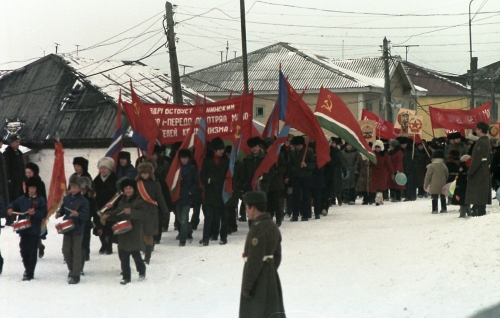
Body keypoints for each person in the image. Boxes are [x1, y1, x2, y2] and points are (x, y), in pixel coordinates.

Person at [239, 190, 285, 318]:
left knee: (256, 312)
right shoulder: (272, 226)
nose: (246, 212)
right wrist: (270, 270)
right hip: (271, 277)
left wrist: (247, 286)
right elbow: (277, 257)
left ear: (253, 208)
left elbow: (254, 260)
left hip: (258, 282)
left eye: (247, 207)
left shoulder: (258, 229)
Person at [101, 179, 147, 285]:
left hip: (134, 230)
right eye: (126, 188)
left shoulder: (139, 200)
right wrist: (108, 215)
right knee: (123, 253)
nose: (128, 190)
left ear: (133, 189)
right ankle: (126, 276)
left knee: (135, 253)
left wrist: (132, 212)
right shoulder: (122, 200)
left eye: (130, 188)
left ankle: (141, 271)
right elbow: (118, 212)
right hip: (123, 229)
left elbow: (144, 214)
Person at [7, 177, 47, 281]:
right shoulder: (23, 198)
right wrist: (10, 208)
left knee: (32, 251)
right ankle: (27, 268)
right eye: (30, 187)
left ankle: (29, 272)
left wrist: (35, 213)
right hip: (23, 229)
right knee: (23, 250)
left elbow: (44, 213)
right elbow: (13, 204)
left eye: (33, 187)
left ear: (37, 188)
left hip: (34, 229)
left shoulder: (41, 200)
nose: (31, 190)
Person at [56, 176, 90, 284]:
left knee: (76, 251)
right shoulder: (67, 198)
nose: (73, 189)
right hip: (67, 228)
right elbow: (63, 209)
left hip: (78, 228)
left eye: (76, 187)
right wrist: (59, 213)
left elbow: (86, 215)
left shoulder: (84, 200)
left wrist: (78, 214)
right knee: (66, 250)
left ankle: (76, 274)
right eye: (72, 186)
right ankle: (72, 270)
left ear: (80, 188)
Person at [135, 162, 168, 263]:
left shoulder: (155, 183)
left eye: (146, 173)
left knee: (149, 234)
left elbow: (160, 198)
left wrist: (165, 211)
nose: (144, 175)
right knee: (140, 233)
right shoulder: (136, 183)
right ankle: (143, 249)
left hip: (151, 211)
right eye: (142, 173)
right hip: (139, 211)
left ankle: (147, 255)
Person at [200, 137, 230, 246]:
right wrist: (209, 180)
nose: (222, 151)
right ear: (214, 149)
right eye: (219, 149)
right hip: (211, 192)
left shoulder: (226, 161)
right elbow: (202, 174)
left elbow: (230, 175)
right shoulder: (207, 161)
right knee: (208, 216)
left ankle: (223, 237)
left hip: (222, 192)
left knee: (224, 216)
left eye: (222, 149)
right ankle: (205, 238)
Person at [465, 121, 492, 217]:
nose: (475, 131)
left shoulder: (480, 143)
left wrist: (470, 172)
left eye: (476, 129)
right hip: (484, 170)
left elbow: (476, 160)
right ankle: (479, 210)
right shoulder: (487, 141)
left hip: (478, 172)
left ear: (480, 130)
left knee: (478, 193)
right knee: (481, 193)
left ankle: (477, 211)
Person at [287, 136, 316, 221]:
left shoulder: (308, 151)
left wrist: (306, 165)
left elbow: (314, 163)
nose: (298, 147)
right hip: (296, 176)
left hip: (306, 176)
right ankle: (295, 215)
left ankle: (306, 214)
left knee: (306, 196)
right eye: (296, 145)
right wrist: (288, 176)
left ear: (302, 145)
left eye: (299, 145)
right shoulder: (292, 153)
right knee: (295, 196)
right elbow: (290, 166)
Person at [93, 157, 117, 255]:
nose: (103, 170)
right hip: (99, 206)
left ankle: (109, 245)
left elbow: (118, 194)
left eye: (105, 168)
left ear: (110, 169)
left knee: (109, 226)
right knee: (99, 225)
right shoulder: (96, 180)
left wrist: (113, 204)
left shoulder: (115, 179)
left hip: (111, 206)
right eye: (101, 168)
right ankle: (103, 243)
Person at [173, 149, 197, 246]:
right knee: (179, 218)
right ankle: (189, 231)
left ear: (188, 158)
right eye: (182, 158)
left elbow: (195, 183)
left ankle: (182, 239)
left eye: (185, 158)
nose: (183, 160)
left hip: (187, 197)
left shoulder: (192, 168)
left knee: (183, 218)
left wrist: (190, 192)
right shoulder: (176, 168)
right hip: (178, 197)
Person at [25, 162, 48, 258]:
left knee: (35, 230)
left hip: (36, 209)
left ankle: (38, 246)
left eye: (29, 172)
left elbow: (43, 197)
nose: (28, 174)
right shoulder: (24, 182)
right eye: (26, 172)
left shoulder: (40, 183)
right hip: (26, 209)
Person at [4, 134, 25, 226]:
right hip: (11, 182)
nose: (18, 143)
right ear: (11, 143)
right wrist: (8, 179)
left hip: (19, 181)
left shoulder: (19, 153)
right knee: (11, 199)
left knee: (20, 198)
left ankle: (20, 216)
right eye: (16, 142)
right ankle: (10, 218)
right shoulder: (7, 154)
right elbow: (6, 168)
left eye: (18, 142)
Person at [79, 176, 98, 268]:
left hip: (86, 224)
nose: (82, 190)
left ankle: (80, 265)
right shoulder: (73, 198)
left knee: (84, 244)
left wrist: (98, 226)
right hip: (75, 224)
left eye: (84, 188)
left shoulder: (91, 199)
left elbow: (95, 213)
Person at [369, 140, 394, 206]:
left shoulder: (385, 155)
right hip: (375, 172)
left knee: (380, 186)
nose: (377, 149)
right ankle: (380, 199)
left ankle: (377, 200)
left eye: (379, 147)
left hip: (382, 172)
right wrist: (368, 163)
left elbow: (389, 164)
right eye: (376, 147)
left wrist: (392, 173)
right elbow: (370, 164)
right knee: (376, 186)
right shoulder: (372, 154)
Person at [424, 150, 449, 214]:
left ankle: (435, 209)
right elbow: (447, 174)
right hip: (443, 183)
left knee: (434, 196)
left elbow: (428, 176)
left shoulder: (432, 166)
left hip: (434, 184)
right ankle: (444, 208)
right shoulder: (444, 165)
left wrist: (426, 184)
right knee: (442, 196)